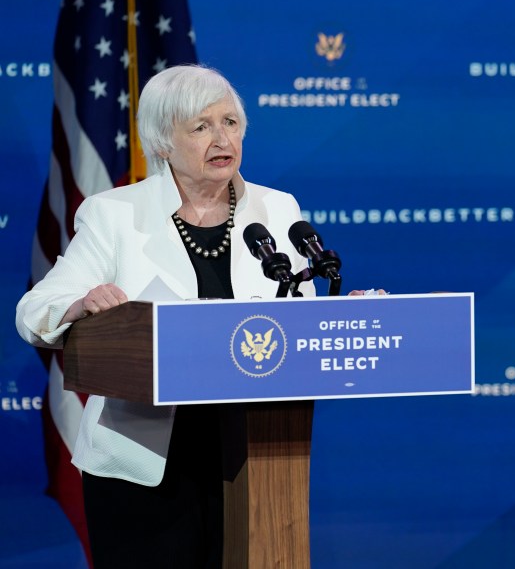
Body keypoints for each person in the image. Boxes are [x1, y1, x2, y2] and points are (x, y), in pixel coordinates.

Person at [15, 65, 318, 567]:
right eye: (201, 127)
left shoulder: (277, 209)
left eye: (231, 123)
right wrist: (82, 303)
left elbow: (297, 315)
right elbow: (33, 311)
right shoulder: (115, 214)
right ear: (160, 142)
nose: (222, 138)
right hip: (144, 463)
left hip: (257, 453)